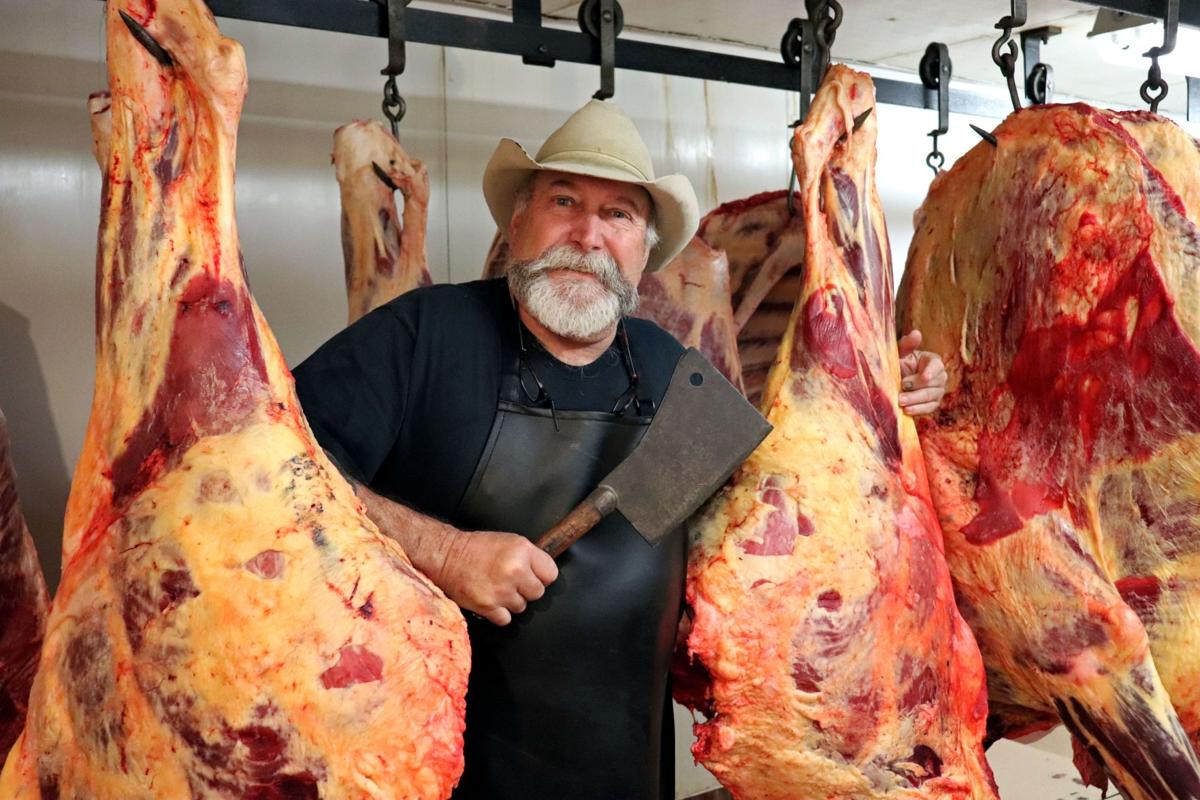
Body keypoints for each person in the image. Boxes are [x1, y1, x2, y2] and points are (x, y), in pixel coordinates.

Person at [293, 99, 948, 800]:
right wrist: (444, 554)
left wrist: (893, 400)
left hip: (623, 771)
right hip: (424, 769)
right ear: (518, 224)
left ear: (642, 252)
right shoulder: (425, 339)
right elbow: (278, 467)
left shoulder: (672, 377)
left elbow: (777, 535)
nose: (587, 235)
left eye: (618, 215)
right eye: (564, 201)